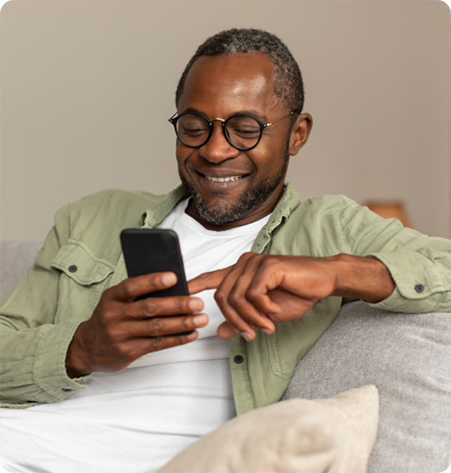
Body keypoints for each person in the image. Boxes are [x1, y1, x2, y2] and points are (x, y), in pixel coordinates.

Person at [0, 28, 450, 473]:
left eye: (245, 129)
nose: (215, 150)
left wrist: (335, 273)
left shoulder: (330, 227)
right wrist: (81, 347)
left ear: (297, 133)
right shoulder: (91, 217)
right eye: (194, 127)